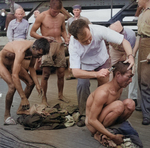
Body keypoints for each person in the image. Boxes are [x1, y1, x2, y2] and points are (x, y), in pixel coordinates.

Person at [68, 19, 134, 127]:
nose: (89, 42)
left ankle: (105, 112)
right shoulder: (73, 45)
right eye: (84, 41)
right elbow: (75, 72)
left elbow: (124, 41)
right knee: (82, 85)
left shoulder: (98, 30)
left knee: (105, 88)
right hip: (84, 65)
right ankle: (84, 114)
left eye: (90, 38)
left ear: (89, 28)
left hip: (102, 60)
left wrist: (130, 56)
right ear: (76, 38)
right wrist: (96, 74)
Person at [0, 38, 50, 125]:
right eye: (38, 55)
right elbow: (15, 76)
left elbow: (31, 67)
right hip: (2, 62)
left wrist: (38, 84)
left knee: (31, 82)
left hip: (13, 63)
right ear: (34, 48)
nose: (39, 58)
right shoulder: (21, 50)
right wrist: (23, 97)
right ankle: (6, 115)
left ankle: (21, 109)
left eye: (41, 56)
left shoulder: (34, 49)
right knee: (12, 86)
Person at [86, 61, 135, 146]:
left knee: (130, 104)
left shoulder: (120, 88)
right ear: (118, 74)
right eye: (128, 77)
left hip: (104, 118)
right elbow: (91, 120)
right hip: (93, 125)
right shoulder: (103, 93)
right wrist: (112, 137)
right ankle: (99, 134)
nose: (130, 81)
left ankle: (110, 129)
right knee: (118, 105)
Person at [30, 0, 69, 105]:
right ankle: (44, 98)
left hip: (59, 45)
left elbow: (63, 30)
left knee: (61, 73)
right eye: (54, 11)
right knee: (46, 73)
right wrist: (44, 37)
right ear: (50, 7)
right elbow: (32, 32)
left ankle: (60, 95)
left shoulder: (61, 17)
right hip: (47, 47)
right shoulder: (42, 16)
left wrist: (66, 38)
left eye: (58, 11)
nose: (56, 13)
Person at [108, 20, 139, 106]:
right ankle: (111, 92)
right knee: (111, 69)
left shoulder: (130, 35)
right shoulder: (108, 33)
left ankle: (133, 96)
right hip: (115, 50)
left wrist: (129, 57)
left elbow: (130, 50)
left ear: (121, 31)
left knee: (132, 70)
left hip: (129, 50)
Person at [132, 0, 150, 125]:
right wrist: (132, 54)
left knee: (146, 81)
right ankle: (144, 105)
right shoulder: (142, 13)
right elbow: (139, 35)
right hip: (143, 45)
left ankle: (147, 114)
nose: (137, 0)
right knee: (140, 79)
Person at [66, 4, 91, 80]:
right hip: (73, 40)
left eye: (77, 10)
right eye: (75, 10)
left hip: (82, 39)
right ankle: (71, 73)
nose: (76, 12)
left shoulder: (85, 19)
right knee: (72, 56)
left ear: (80, 11)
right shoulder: (70, 20)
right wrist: (67, 39)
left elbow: (90, 27)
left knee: (83, 55)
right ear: (73, 11)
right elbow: (67, 30)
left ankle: (84, 71)